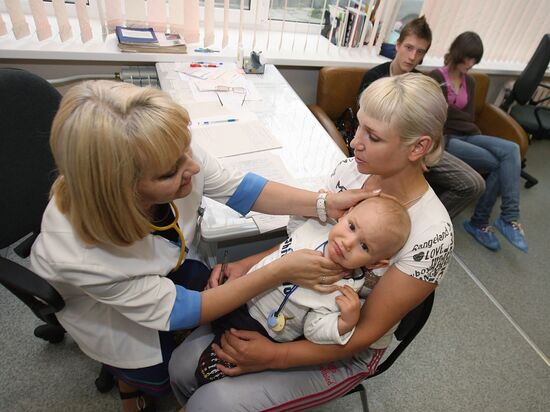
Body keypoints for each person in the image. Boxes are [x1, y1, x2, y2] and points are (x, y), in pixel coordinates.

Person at [29, 81, 372, 412]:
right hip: (101, 307)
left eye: (187, 150)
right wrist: (277, 271)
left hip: (163, 269)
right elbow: (183, 311)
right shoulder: (80, 255)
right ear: (121, 190)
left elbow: (240, 188)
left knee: (202, 299)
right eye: (170, 173)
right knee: (157, 377)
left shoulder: (166, 151)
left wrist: (323, 204)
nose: (193, 167)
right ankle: (127, 386)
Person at [169, 73, 455, 411]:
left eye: (373, 136)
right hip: (284, 305)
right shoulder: (351, 173)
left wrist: (276, 356)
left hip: (340, 339)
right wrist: (247, 265)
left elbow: (363, 333)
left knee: (213, 403)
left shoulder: (432, 236)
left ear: (419, 147)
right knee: (181, 367)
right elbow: (308, 244)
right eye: (359, 125)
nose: (355, 141)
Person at [194, 197, 411, 386]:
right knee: (196, 284)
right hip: (243, 291)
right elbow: (288, 234)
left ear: (375, 264)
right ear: (346, 214)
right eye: (352, 227)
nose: (347, 243)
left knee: (211, 369)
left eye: (364, 247)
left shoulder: (344, 290)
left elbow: (313, 330)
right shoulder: (316, 227)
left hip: (258, 331)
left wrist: (344, 322)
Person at [358, 15, 485, 219]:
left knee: (473, 184)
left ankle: (419, 221)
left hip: (421, 151)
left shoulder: (423, 84)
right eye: (409, 47)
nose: (412, 56)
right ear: (397, 45)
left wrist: (427, 152)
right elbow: (365, 127)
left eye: (420, 51)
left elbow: (434, 127)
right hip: (392, 151)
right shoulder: (375, 78)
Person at [430, 32, 528, 252]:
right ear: (458, 54)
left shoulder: (471, 82)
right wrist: (452, 115)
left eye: (475, 59)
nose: (471, 63)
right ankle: (479, 222)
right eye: (469, 58)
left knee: (511, 149)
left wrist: (450, 112)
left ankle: (508, 217)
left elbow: (467, 117)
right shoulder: (436, 77)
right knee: (498, 163)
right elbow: (437, 116)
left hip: (469, 133)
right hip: (448, 138)